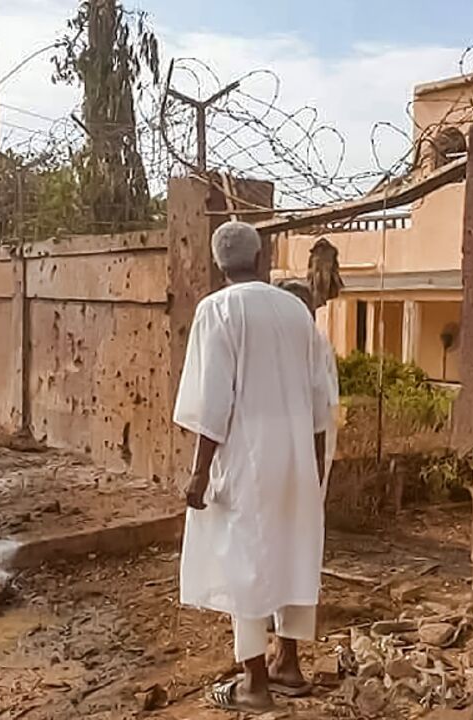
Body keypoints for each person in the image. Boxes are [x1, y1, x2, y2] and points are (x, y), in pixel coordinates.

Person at [173, 221, 334, 713]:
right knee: (292, 550)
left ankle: (254, 684)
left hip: (245, 459)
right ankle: (289, 663)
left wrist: (200, 471)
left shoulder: (217, 310)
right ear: (261, 258)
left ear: (219, 264)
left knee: (244, 562)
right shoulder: (295, 310)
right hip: (296, 455)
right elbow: (319, 397)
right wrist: (314, 466)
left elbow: (212, 400)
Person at [275, 278, 340, 498]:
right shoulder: (280, 341)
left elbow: (323, 399)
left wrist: (319, 457)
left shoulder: (317, 342)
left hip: (312, 433)